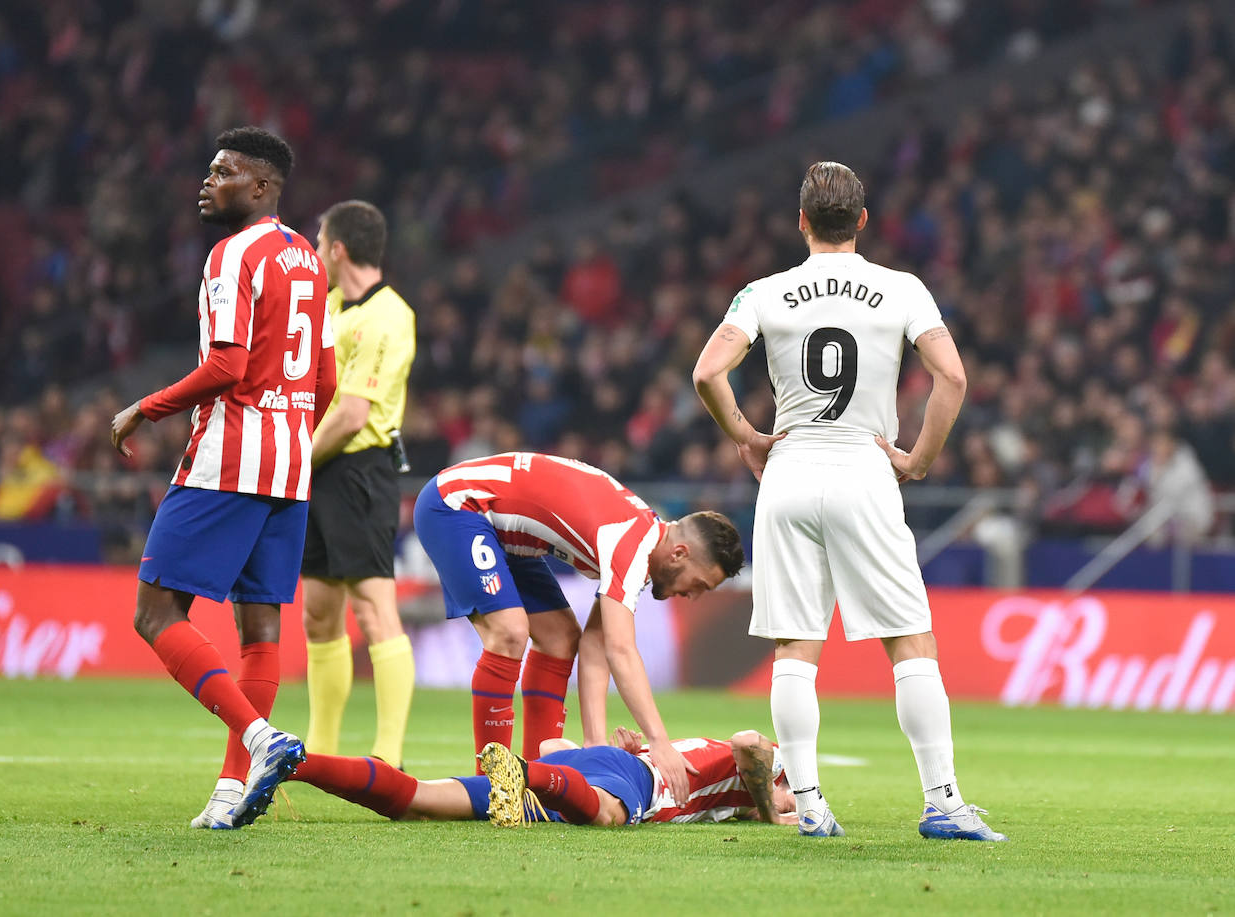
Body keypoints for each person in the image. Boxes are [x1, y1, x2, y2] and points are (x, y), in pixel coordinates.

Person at [692, 161, 1005, 841]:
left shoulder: (763, 292)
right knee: (910, 640)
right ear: (863, 220)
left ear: (801, 221)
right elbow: (952, 376)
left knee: (795, 647)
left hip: (789, 471)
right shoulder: (903, 289)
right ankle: (943, 802)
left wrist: (746, 435)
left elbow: (708, 370)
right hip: (865, 468)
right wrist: (918, 459)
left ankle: (808, 804)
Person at [110, 127, 336, 829]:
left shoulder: (232, 255)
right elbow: (326, 379)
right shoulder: (309, 259)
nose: (206, 183)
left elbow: (228, 366)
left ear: (261, 186)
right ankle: (230, 791)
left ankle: (261, 739)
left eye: (223, 172)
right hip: (290, 467)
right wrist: (291, 433)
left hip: (229, 458)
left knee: (155, 613)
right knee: (260, 628)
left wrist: (145, 408)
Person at [413, 451, 746, 804]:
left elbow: (596, 644)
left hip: (505, 534)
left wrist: (594, 744)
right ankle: (492, 788)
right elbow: (620, 649)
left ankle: (536, 783)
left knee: (560, 638)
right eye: (699, 584)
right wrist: (660, 743)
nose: (693, 596)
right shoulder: (632, 545)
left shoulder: (640, 538)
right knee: (509, 631)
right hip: (459, 505)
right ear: (679, 554)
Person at [301, 200, 416, 768]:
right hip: (321, 468)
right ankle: (320, 754)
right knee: (318, 612)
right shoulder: (328, 308)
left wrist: (296, 461)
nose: (315, 251)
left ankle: (387, 758)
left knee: (373, 609)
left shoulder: (388, 316)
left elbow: (350, 416)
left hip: (359, 469)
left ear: (339, 249)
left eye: (320, 242)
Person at [285, 725, 796, 827]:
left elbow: (558, 747)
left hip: (582, 767)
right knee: (607, 817)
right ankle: (526, 773)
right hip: (632, 780)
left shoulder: (727, 791)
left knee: (419, 802)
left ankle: (297, 763)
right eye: (799, 799)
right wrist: (774, 813)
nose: (799, 808)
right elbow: (749, 742)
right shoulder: (767, 769)